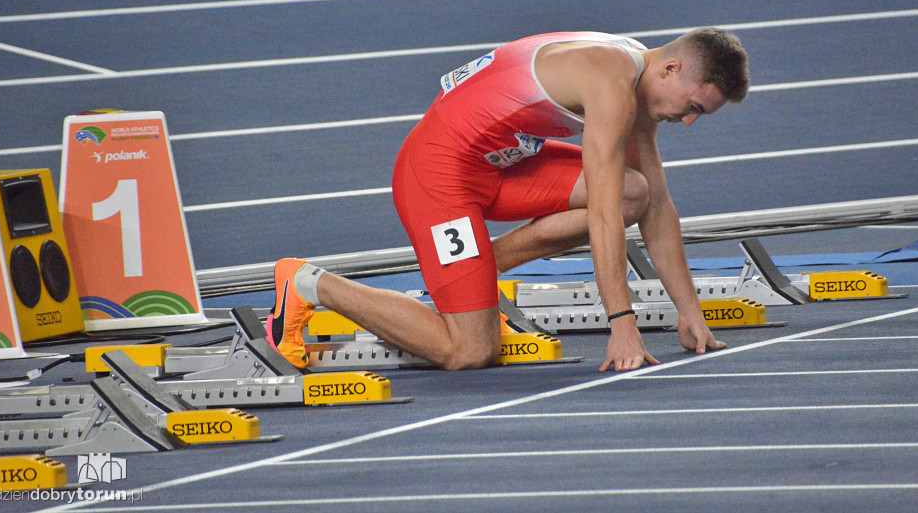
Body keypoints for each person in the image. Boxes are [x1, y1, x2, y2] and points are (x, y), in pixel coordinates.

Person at [267, 28, 750, 372]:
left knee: (636, 193)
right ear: (671, 69)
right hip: (438, 173)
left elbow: (658, 207)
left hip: (501, 167)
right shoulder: (609, 80)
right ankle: (307, 283)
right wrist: (621, 323)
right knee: (470, 351)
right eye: (693, 107)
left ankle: (472, 274)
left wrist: (690, 310)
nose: (689, 121)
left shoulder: (638, 75)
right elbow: (602, 217)